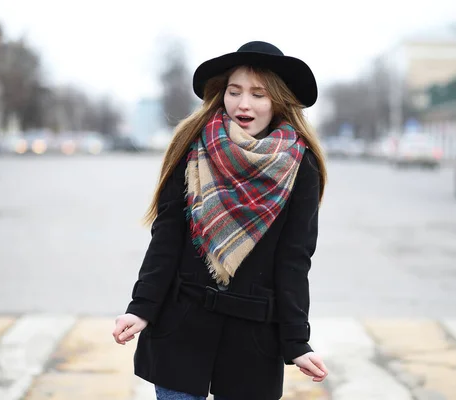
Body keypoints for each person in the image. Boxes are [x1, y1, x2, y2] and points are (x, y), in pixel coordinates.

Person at [112, 40, 329, 400]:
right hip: (180, 330)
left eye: (258, 94)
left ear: (278, 99)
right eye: (235, 91)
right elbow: (166, 236)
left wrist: (296, 342)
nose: (244, 104)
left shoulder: (300, 166)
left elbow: (294, 259)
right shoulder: (192, 146)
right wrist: (141, 308)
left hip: (253, 342)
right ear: (221, 94)